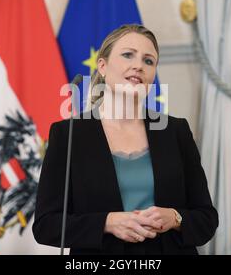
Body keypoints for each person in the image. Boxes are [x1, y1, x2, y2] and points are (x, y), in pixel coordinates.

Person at [33, 24, 218, 255]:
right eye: (128, 55)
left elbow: (207, 218)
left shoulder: (176, 131)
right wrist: (107, 223)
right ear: (102, 65)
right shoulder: (67, 135)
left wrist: (175, 217)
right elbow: (45, 225)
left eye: (148, 61)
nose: (139, 65)